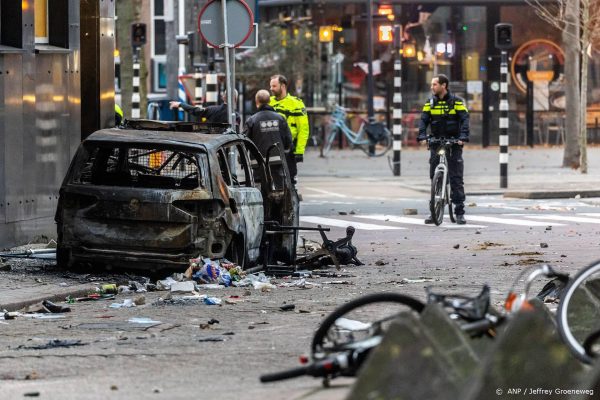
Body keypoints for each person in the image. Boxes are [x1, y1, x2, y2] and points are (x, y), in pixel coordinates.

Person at [417, 74, 469, 225]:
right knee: (434, 176)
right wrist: (422, 135)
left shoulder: (457, 102)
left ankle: (459, 212)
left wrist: (463, 137)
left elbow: (465, 119)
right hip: (436, 142)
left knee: (456, 178)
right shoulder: (430, 103)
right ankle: (434, 209)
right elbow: (423, 120)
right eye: (432, 84)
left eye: (434, 84)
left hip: (454, 143)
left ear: (443, 85)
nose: (432, 87)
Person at [243, 90, 293, 187]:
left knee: (259, 185)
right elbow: (288, 139)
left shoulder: (252, 120)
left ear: (257, 102)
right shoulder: (280, 118)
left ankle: (262, 199)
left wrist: (242, 159)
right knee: (280, 185)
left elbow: (244, 142)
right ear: (269, 101)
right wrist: (285, 153)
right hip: (277, 159)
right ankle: (280, 198)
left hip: (258, 162)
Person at [269, 75, 309, 183]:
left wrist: (299, 151)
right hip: (271, 147)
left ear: (283, 86)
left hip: (289, 148)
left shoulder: (296, 103)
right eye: (270, 86)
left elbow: (303, 129)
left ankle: (292, 196)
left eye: (274, 86)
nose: (271, 89)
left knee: (290, 180)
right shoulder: (269, 102)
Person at [169, 90, 240, 128]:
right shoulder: (236, 116)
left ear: (223, 97)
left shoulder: (212, 110)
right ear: (235, 99)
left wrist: (180, 104)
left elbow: (196, 110)